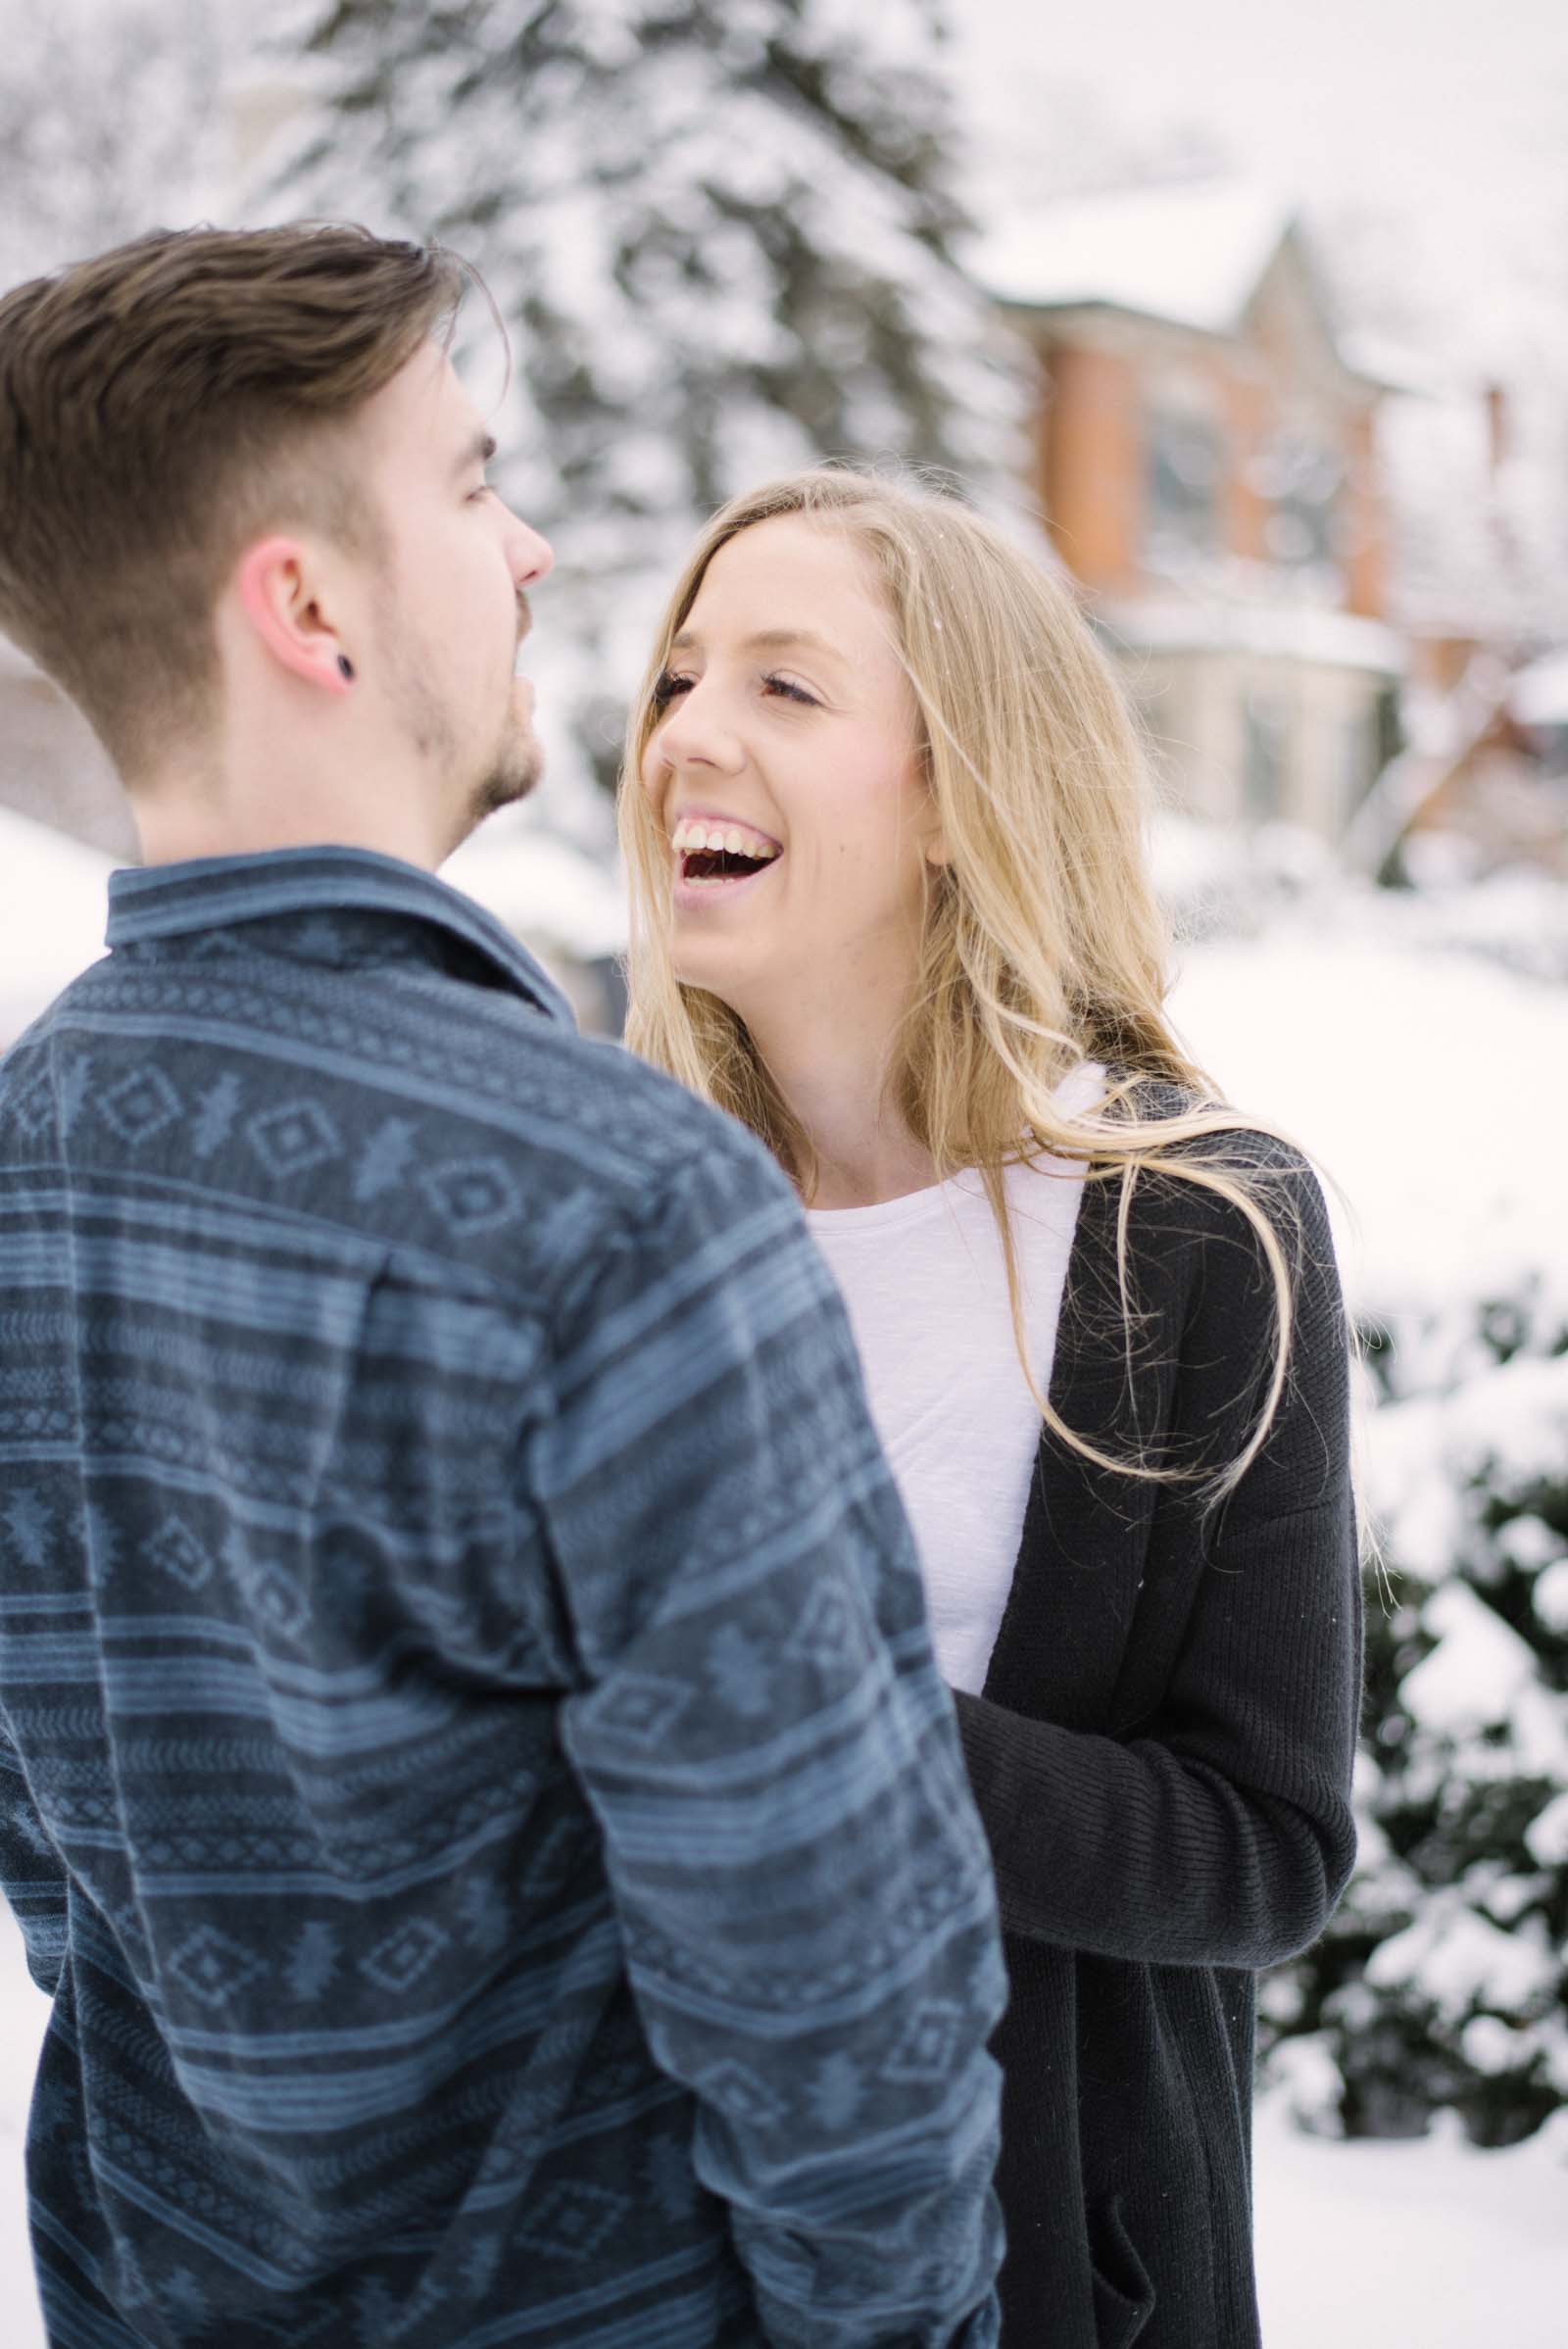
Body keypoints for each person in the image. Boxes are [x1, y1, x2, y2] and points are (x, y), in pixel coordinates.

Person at [0, 228, 1006, 2349]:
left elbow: (63, 1873)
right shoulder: (619, 1209)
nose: (533, 548)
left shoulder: (24, 1151)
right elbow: (835, 2012)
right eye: (466, 483)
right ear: (308, 607)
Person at [619, 466, 1365, 2348]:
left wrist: (840, 1731)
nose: (689, 735)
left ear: (958, 788)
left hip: (1051, 2271)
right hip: (636, 2249)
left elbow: (1265, 1846)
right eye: (678, 680)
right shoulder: (599, 1216)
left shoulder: (1196, 1234)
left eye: (785, 688)